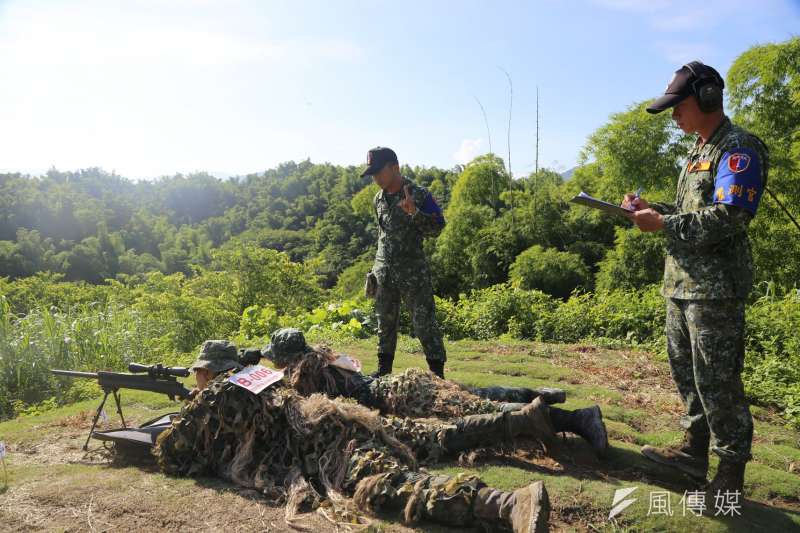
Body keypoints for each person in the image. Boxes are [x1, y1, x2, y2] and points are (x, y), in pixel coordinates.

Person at [155, 369, 551, 532]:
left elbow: (174, 455)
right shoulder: (261, 377)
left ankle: (506, 503)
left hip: (330, 450)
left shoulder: (218, 396)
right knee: (433, 435)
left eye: (199, 374)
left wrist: (194, 405)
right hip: (347, 419)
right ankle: (518, 421)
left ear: (208, 372)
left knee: (389, 485)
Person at [621, 61, 768, 496]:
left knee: (718, 382)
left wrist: (663, 225)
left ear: (705, 99)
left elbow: (730, 216)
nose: (673, 116)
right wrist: (653, 210)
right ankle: (692, 453)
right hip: (682, 285)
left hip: (715, 291)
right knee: (687, 375)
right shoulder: (698, 153)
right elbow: (693, 213)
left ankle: (730, 474)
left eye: (678, 106)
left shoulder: (737, 149)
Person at [262, 327, 609, 457]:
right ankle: (540, 394)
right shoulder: (322, 355)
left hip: (401, 396)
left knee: (474, 407)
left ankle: (578, 419)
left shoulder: (304, 372)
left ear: (287, 358)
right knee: (475, 395)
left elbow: (301, 403)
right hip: (402, 384)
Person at [362, 146, 448, 378]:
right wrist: (375, 270)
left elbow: (439, 227)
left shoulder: (419, 194)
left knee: (424, 325)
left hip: (413, 274)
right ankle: (383, 372)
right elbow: (383, 235)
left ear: (395, 168)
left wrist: (415, 213)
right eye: (373, 173)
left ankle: (438, 376)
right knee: (385, 324)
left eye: (379, 171)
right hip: (384, 274)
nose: (376, 178)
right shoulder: (378, 199)